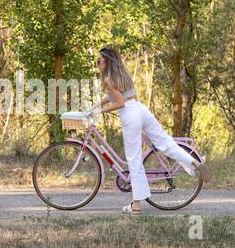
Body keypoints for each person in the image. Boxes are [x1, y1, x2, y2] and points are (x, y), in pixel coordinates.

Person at [88, 46, 211, 215]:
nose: (97, 63)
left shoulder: (109, 79)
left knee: (134, 160)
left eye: (99, 60)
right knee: (166, 142)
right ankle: (194, 163)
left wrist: (98, 111)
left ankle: (136, 205)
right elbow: (115, 96)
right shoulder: (123, 74)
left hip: (130, 116)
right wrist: (97, 105)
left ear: (107, 61)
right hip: (141, 110)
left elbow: (119, 103)